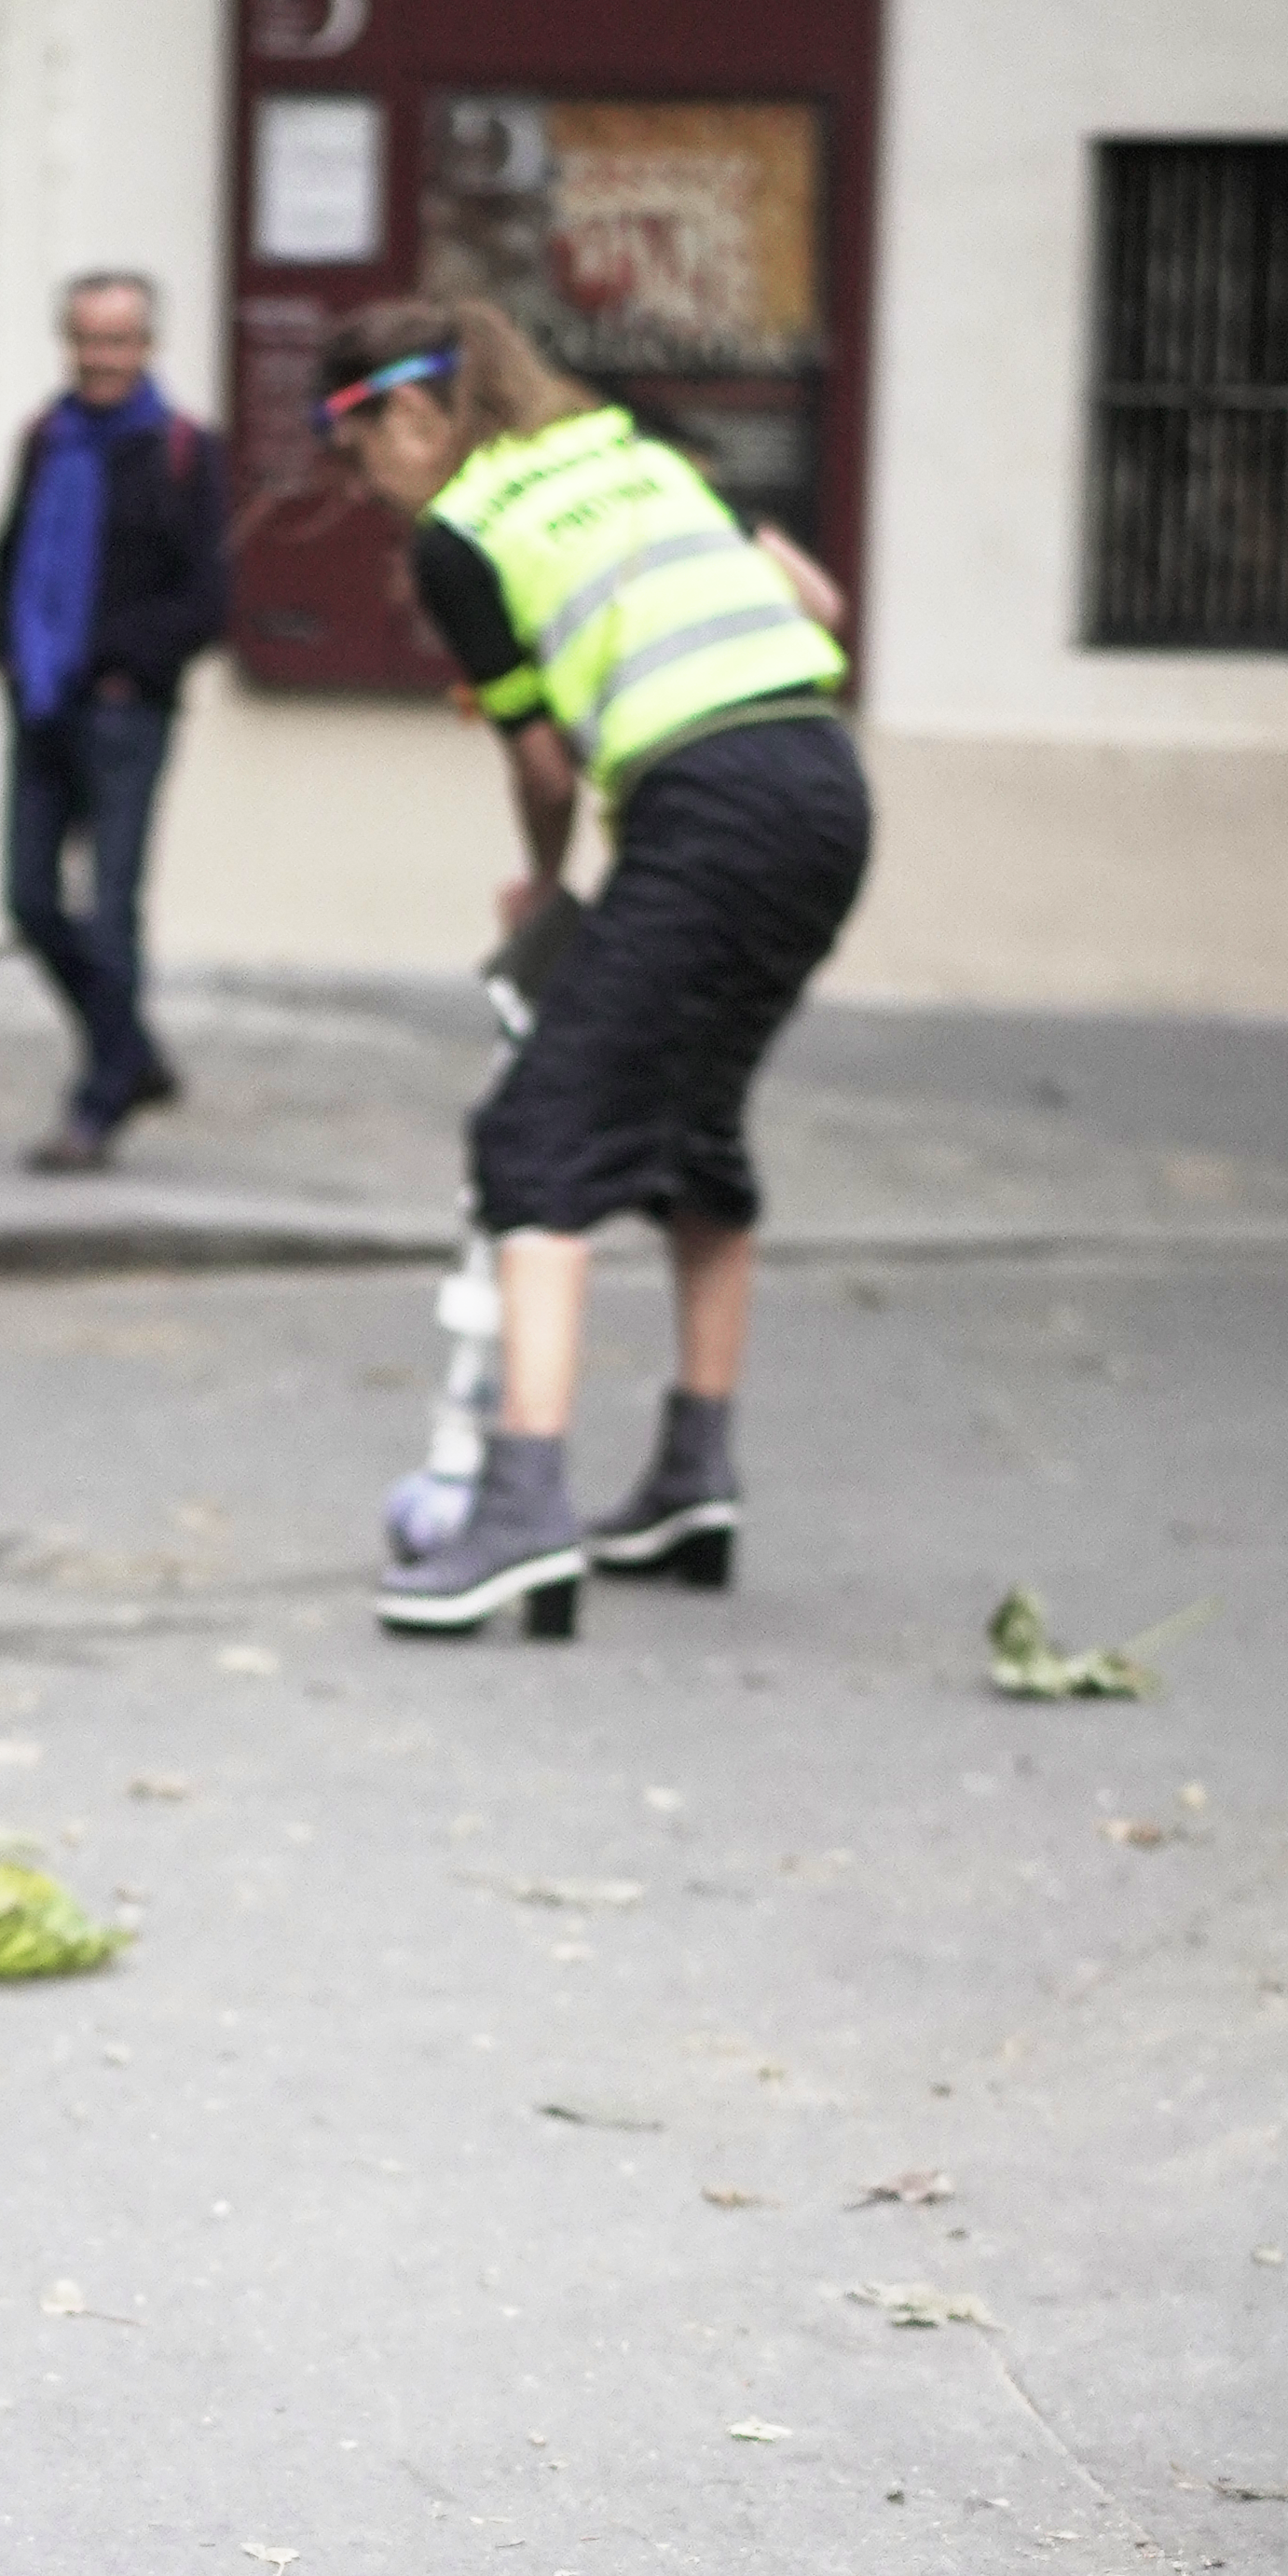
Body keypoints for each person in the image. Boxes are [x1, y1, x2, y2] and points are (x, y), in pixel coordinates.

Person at [322, 296, 866, 1637]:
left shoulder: (465, 534)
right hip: (822, 792)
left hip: (709, 810)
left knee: (534, 1140)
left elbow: (543, 763)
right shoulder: (631, 448)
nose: (360, 482)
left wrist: (546, 894)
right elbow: (820, 602)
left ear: (406, 412)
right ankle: (694, 1471)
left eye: (353, 447)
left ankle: (518, 1511)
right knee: (693, 1127)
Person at [0, 273, 231, 1174]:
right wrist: (10, 658)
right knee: (28, 897)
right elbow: (11, 554)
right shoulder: (47, 439)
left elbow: (206, 596)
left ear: (148, 347)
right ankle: (133, 1054)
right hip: (43, 704)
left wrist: (123, 666)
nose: (103, 358)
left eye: (121, 341)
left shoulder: (182, 449)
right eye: (89, 339)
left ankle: (96, 1103)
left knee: (112, 908)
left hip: (127, 711)